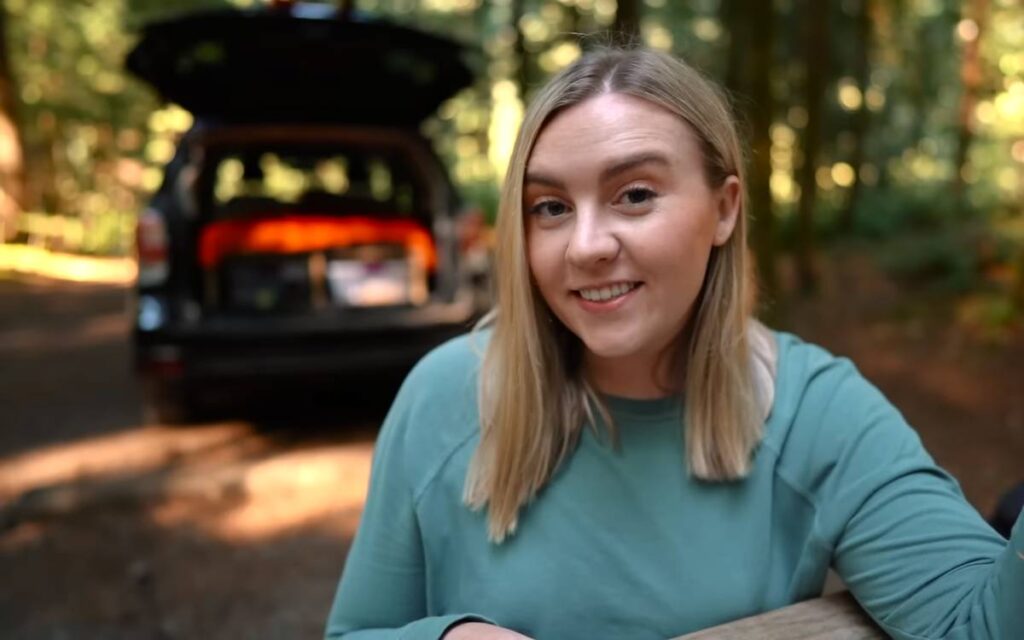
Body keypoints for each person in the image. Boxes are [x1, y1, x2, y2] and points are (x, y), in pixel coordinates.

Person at [324, 48, 1023, 640]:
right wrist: (447, 636)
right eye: (551, 208)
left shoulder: (817, 414)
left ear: (724, 208)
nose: (587, 246)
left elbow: (980, 625)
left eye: (634, 195)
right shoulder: (448, 395)